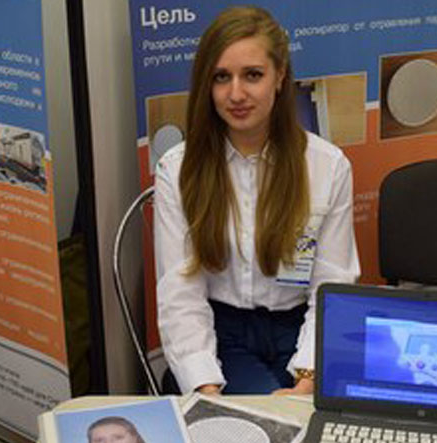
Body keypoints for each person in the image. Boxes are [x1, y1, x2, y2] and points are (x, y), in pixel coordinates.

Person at [154, 6, 360, 396]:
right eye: (221, 77)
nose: (236, 94)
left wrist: (306, 384)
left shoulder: (327, 166)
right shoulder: (177, 170)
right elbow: (180, 294)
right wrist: (207, 391)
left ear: (279, 77)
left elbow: (332, 286)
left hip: (302, 329)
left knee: (320, 417)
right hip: (224, 336)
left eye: (252, 75)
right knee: (259, 422)